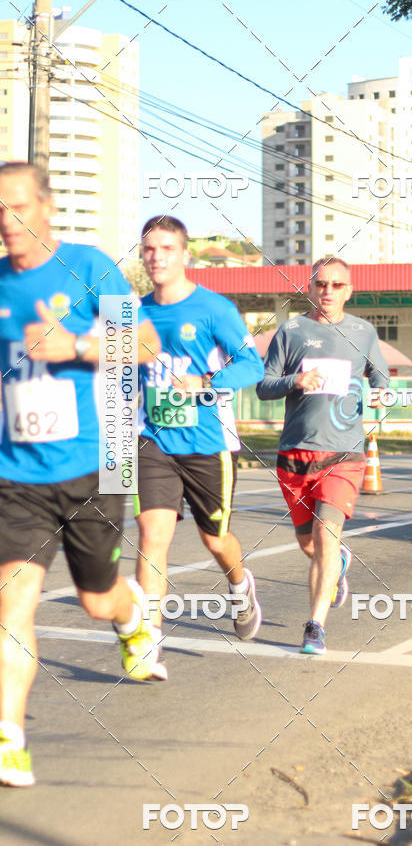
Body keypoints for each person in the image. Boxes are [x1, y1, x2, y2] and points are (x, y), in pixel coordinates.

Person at [0, 162, 162, 787]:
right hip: (15, 474)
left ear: (48, 207)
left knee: (96, 599)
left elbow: (145, 345)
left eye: (18, 206)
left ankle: (130, 616)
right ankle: (10, 738)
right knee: (13, 600)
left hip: (93, 465)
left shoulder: (90, 268)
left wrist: (78, 347)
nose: (7, 220)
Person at [135, 216, 265, 679]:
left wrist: (206, 381)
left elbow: (253, 365)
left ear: (185, 254)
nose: (157, 257)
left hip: (208, 443)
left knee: (215, 539)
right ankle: (147, 643)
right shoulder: (132, 313)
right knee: (152, 536)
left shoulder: (214, 309)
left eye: (167, 248)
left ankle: (240, 586)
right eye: (149, 249)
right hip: (153, 438)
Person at [256, 256, 389, 655]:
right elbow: (263, 385)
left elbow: (380, 374)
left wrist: (381, 391)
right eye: (320, 284)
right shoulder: (291, 330)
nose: (328, 290)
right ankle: (339, 565)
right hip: (294, 453)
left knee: (325, 535)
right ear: (309, 288)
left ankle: (315, 627)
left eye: (336, 284)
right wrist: (295, 380)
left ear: (349, 291)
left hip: (343, 454)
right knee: (309, 545)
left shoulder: (363, 332)